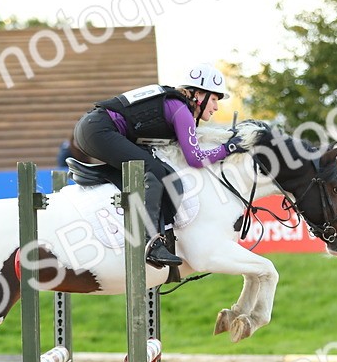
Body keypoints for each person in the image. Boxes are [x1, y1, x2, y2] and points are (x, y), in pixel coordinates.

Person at [71, 62, 243, 267]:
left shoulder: (177, 105)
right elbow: (195, 159)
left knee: (159, 170)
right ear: (198, 95)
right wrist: (229, 149)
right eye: (214, 99)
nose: (216, 107)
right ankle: (150, 242)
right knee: (153, 170)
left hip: (93, 128)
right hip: (98, 130)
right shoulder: (181, 110)